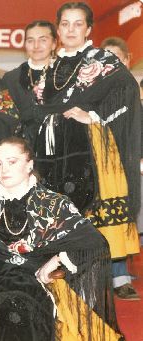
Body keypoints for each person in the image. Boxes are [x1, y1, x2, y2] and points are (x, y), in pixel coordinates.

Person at [0, 137, 121, 340]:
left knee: (13, 325)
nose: (4, 169)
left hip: (33, 283)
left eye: (12, 162)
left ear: (29, 165)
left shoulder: (53, 203)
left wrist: (56, 260)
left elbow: (96, 242)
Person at [37, 2, 141, 301]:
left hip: (93, 149)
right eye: (65, 24)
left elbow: (127, 91)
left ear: (89, 29)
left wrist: (93, 116)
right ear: (58, 29)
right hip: (57, 153)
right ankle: (67, 289)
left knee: (95, 218)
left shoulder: (103, 59)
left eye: (77, 24)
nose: (70, 29)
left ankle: (100, 288)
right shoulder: (52, 63)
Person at [100, 36, 141, 300]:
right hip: (99, 165)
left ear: (127, 60)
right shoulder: (93, 94)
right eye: (105, 58)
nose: (111, 63)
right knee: (101, 218)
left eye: (116, 57)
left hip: (129, 163)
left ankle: (119, 275)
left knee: (123, 215)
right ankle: (106, 277)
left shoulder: (134, 94)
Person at [2, 21, 57, 144]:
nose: (36, 46)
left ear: (54, 44)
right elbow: (3, 119)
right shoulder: (11, 78)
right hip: (21, 147)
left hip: (59, 144)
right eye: (30, 41)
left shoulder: (65, 75)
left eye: (43, 40)